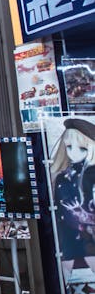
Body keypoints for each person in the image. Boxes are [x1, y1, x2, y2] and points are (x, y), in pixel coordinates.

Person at [51, 118, 95, 281]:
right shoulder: (63, 177)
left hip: (88, 233)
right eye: (69, 147)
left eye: (82, 148)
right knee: (70, 271)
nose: (73, 152)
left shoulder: (91, 175)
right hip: (67, 233)